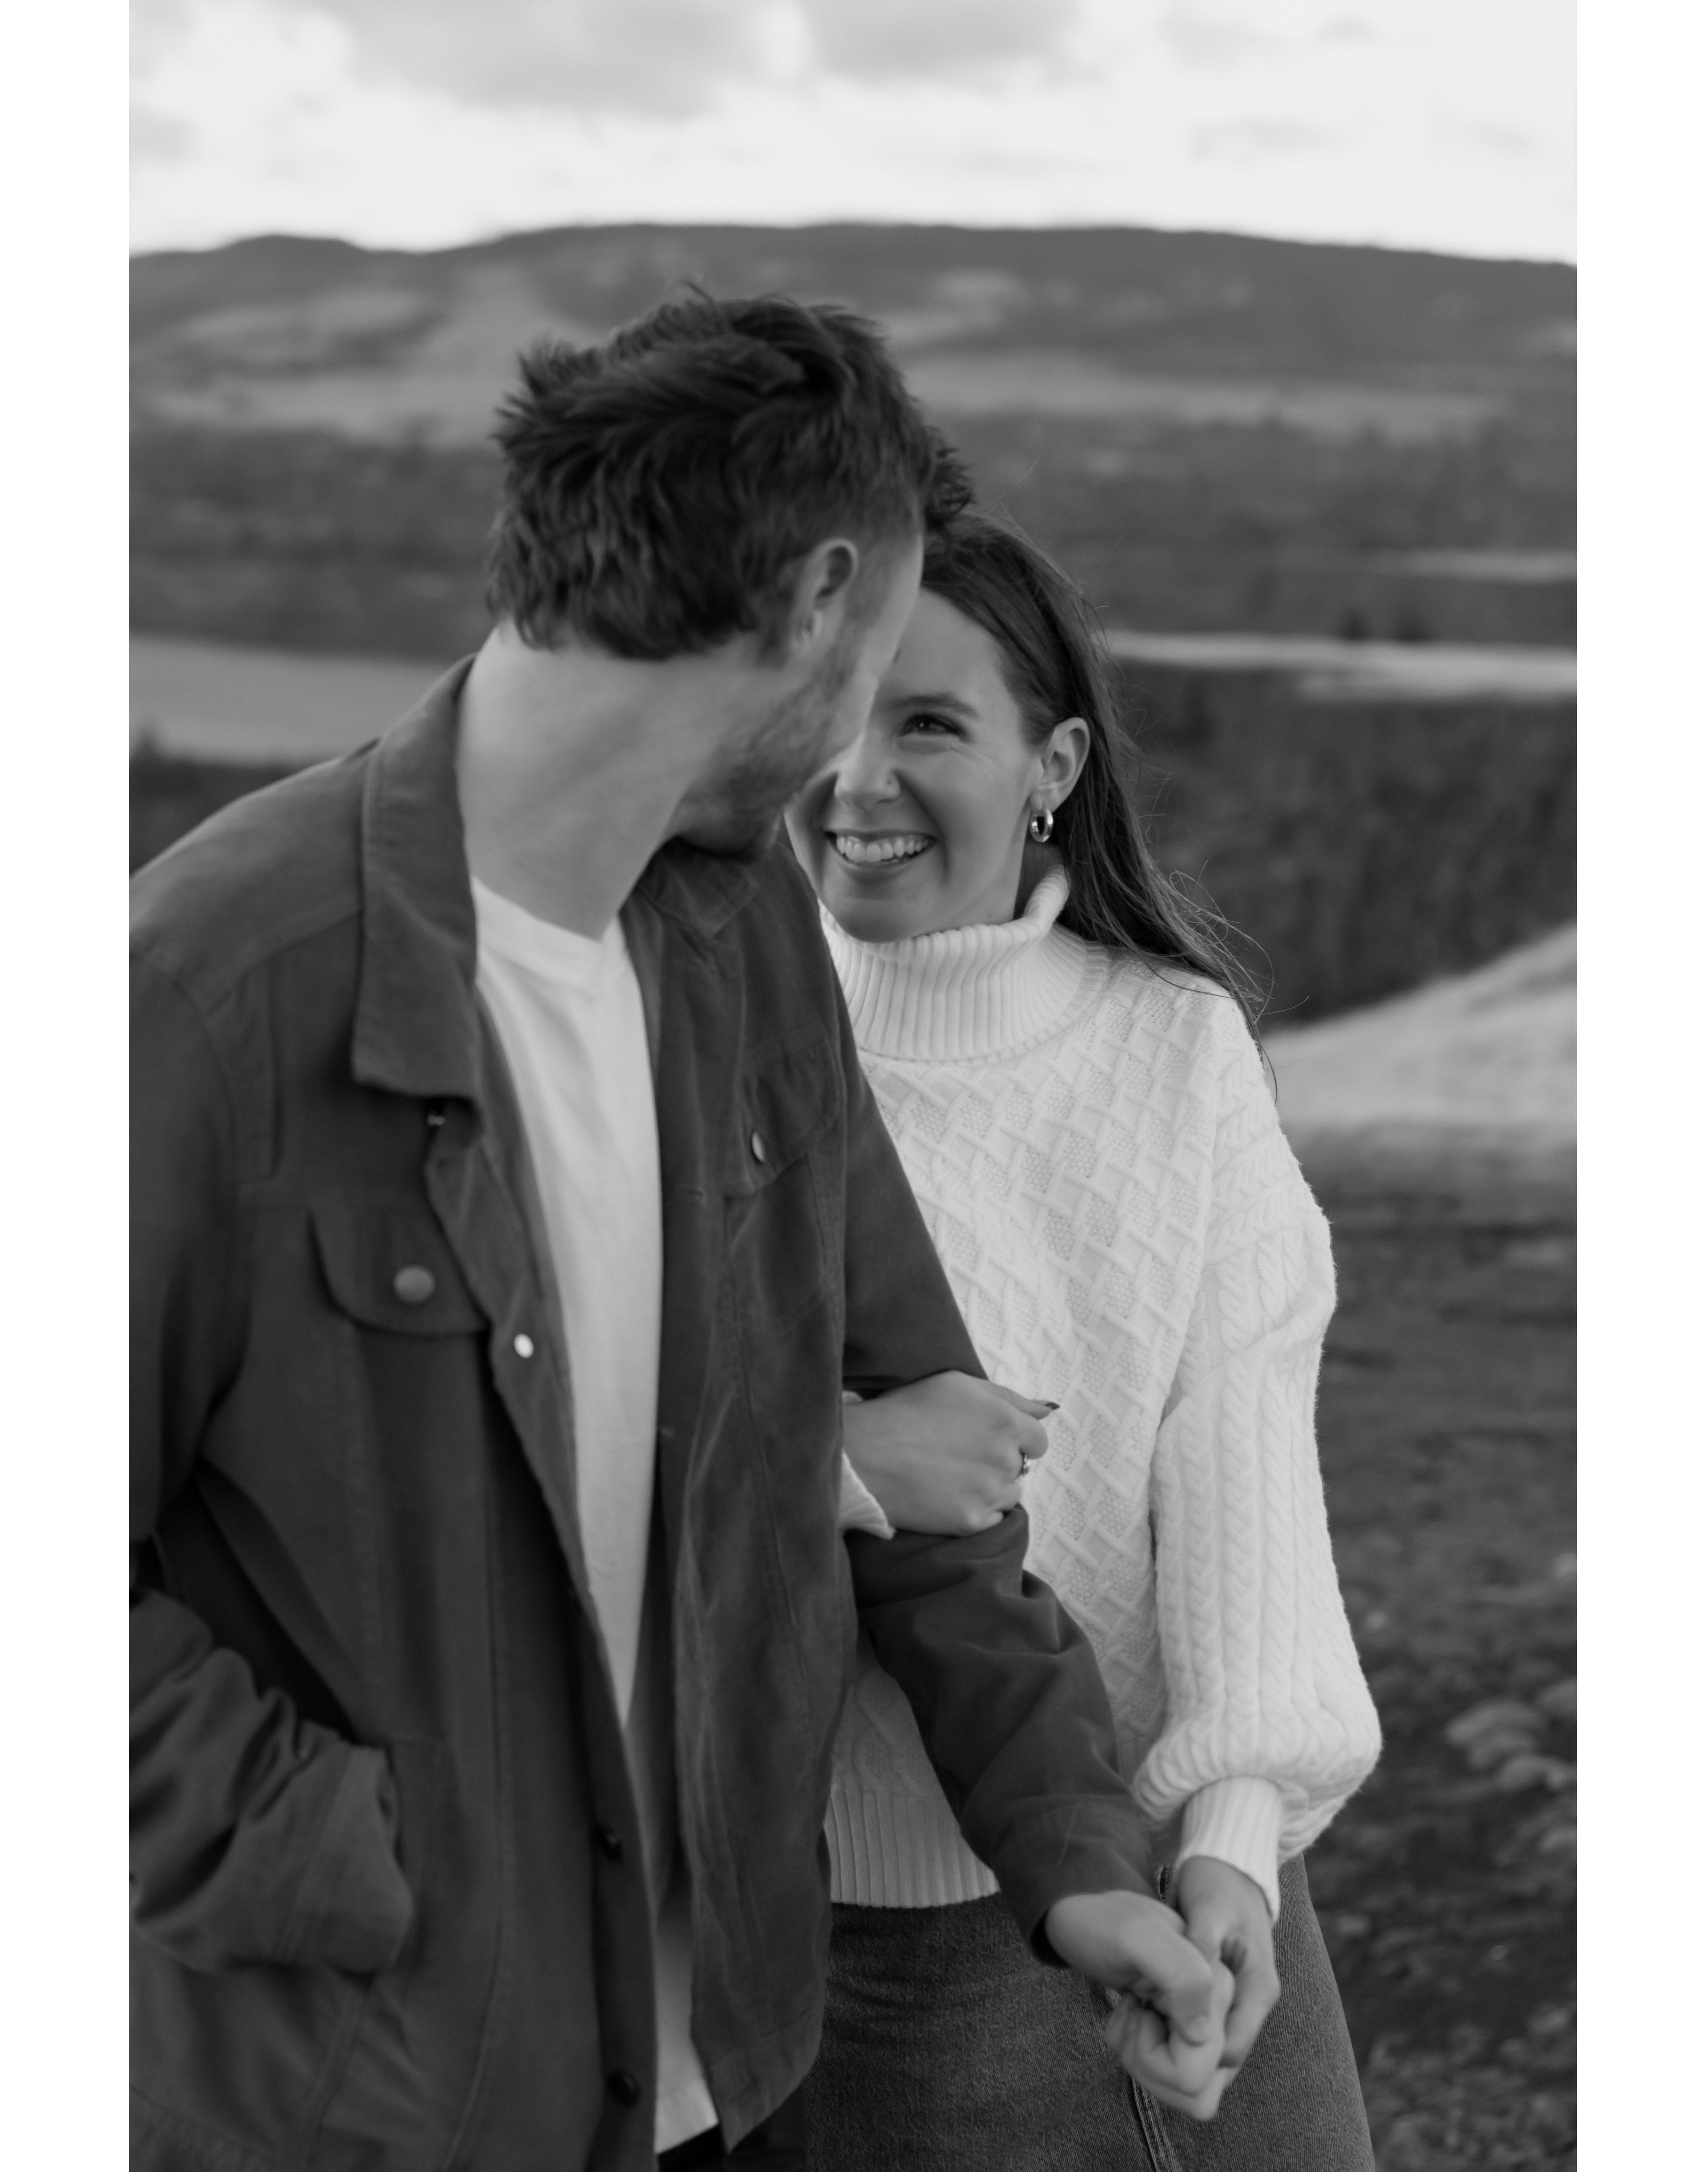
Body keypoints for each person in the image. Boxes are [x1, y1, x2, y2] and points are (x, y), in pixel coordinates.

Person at [130, 297, 1234, 2172]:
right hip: (364, 2109)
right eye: (878, 649)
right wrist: (365, 1859)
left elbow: (935, 1452)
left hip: (732, 2084)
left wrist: (1080, 1865)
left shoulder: (744, 945)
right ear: (819, 601)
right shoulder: (212, 990)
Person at [785, 511, 1386, 2168]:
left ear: (1050, 763)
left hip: (1205, 1885)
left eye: (927, 721)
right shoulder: (721, 1046)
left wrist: (1234, 1839)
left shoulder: (1176, 1048)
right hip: (880, 1946)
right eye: (827, 710)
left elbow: (1243, 1453)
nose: (859, 777)